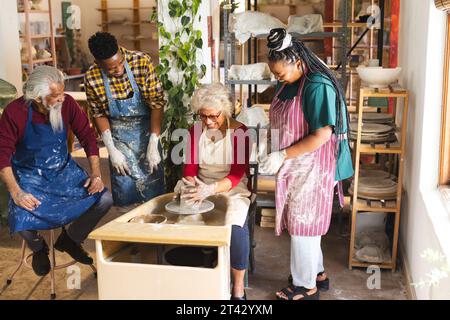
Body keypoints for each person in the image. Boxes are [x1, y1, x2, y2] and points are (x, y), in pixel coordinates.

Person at [258, 28, 354, 300]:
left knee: (303, 225)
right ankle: (318, 274)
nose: (278, 78)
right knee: (305, 225)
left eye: (281, 74)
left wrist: (282, 154)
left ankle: (305, 285)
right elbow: (280, 118)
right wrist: (267, 144)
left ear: (297, 62)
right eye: (275, 75)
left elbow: (322, 134)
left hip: (315, 165)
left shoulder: (317, 85)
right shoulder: (288, 81)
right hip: (295, 163)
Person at [0, 66, 113, 276]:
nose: (62, 98)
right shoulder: (15, 113)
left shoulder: (67, 103)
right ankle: (39, 248)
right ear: (36, 97)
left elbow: (88, 138)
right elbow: (2, 156)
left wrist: (96, 173)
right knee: (19, 214)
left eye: (62, 92)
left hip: (63, 171)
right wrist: (16, 192)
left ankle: (70, 239)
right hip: (30, 175)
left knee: (104, 199)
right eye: (55, 96)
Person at [174, 83, 251, 300]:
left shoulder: (240, 132)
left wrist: (212, 189)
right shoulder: (194, 131)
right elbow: (189, 169)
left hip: (232, 188)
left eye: (213, 116)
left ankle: (237, 289)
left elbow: (236, 175)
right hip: (199, 184)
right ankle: (202, 268)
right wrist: (195, 186)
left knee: (235, 228)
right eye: (202, 116)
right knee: (183, 219)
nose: (208, 122)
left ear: (225, 111)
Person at [84, 32, 165, 207]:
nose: (119, 69)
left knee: (154, 196)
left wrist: (153, 144)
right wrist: (111, 150)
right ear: (98, 64)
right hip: (119, 140)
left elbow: (157, 104)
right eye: (112, 69)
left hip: (148, 133)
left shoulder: (141, 61)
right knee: (125, 195)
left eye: (120, 63)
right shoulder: (92, 76)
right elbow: (99, 113)